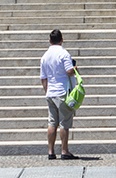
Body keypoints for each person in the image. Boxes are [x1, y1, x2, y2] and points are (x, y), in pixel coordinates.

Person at [40, 28, 77, 160]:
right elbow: (69, 71)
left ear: (50, 41)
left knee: (52, 123)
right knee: (64, 123)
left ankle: (50, 151)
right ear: (62, 40)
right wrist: (75, 69)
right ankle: (64, 150)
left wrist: (47, 91)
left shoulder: (44, 56)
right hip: (62, 92)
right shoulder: (64, 54)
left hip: (50, 93)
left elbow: (43, 78)